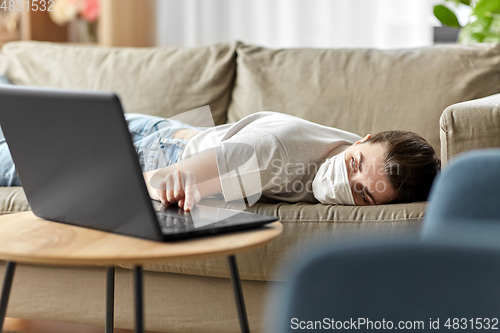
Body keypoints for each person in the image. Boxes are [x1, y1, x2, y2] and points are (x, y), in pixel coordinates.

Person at [0, 111, 440, 211]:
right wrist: (171, 187)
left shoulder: (365, 153)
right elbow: (155, 179)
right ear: (360, 140)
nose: (349, 182)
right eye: (354, 163)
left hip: (171, 131)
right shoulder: (271, 153)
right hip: (146, 149)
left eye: (363, 194)